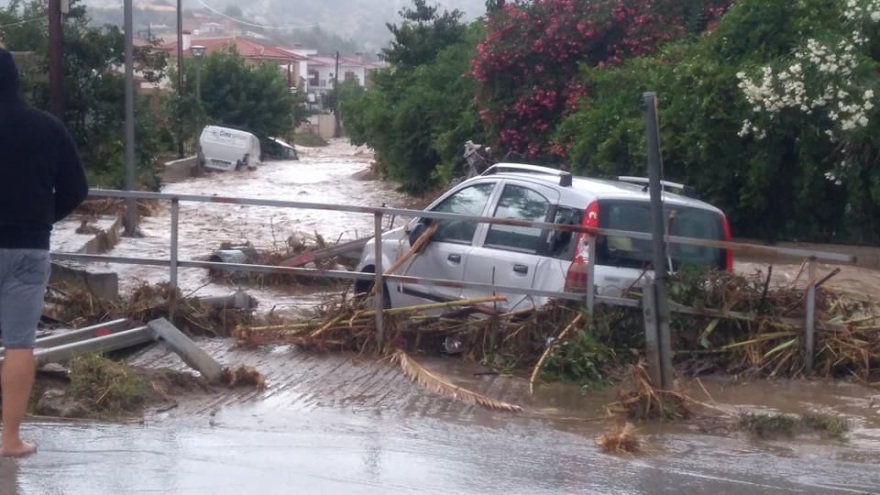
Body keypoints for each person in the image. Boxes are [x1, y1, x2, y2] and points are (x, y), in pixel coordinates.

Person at [0, 49, 89, 457]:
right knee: (19, 344)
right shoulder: (48, 129)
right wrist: (42, 219)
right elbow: (76, 189)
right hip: (28, 248)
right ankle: (10, 440)